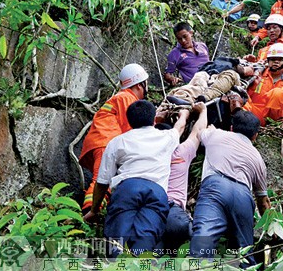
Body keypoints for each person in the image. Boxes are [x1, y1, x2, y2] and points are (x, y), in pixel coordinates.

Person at [83, 100, 190, 257]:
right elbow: (179, 127)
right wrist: (184, 114)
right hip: (157, 193)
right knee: (145, 242)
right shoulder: (166, 137)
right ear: (153, 118)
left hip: (127, 189)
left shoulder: (117, 142)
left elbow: (102, 182)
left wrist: (94, 210)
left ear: (129, 120)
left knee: (117, 240)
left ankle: (115, 264)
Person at [189, 110, 271, 267]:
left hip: (215, 188)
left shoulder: (216, 135)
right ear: (255, 136)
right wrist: (271, 227)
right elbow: (263, 201)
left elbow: (199, 132)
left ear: (232, 128)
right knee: (244, 251)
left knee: (204, 239)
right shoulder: (257, 158)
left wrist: (204, 114)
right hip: (243, 196)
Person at [79, 63, 149, 213]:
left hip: (101, 141)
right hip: (105, 142)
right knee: (100, 180)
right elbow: (130, 127)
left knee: (107, 181)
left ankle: (97, 212)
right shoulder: (126, 97)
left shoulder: (121, 97)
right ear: (140, 84)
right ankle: (88, 214)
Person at [158, 102, 208, 255]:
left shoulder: (147, 153)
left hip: (151, 211)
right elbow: (198, 130)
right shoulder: (182, 152)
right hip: (175, 215)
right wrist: (203, 111)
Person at [244, 43, 283, 126]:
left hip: (277, 119)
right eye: (273, 59)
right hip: (256, 115)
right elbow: (245, 94)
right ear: (268, 61)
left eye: (280, 60)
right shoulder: (257, 74)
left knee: (277, 93)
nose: (276, 62)